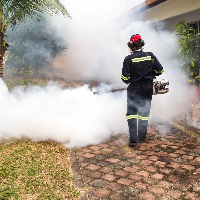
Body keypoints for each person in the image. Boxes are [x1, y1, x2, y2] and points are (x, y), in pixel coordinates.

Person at [121, 34, 164, 146]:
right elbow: (160, 71)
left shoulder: (128, 59)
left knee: (131, 114)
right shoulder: (150, 56)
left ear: (131, 46)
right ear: (142, 44)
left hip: (133, 90)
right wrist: (150, 75)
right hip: (147, 89)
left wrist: (133, 77)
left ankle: (133, 139)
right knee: (144, 113)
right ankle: (141, 138)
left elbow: (125, 79)